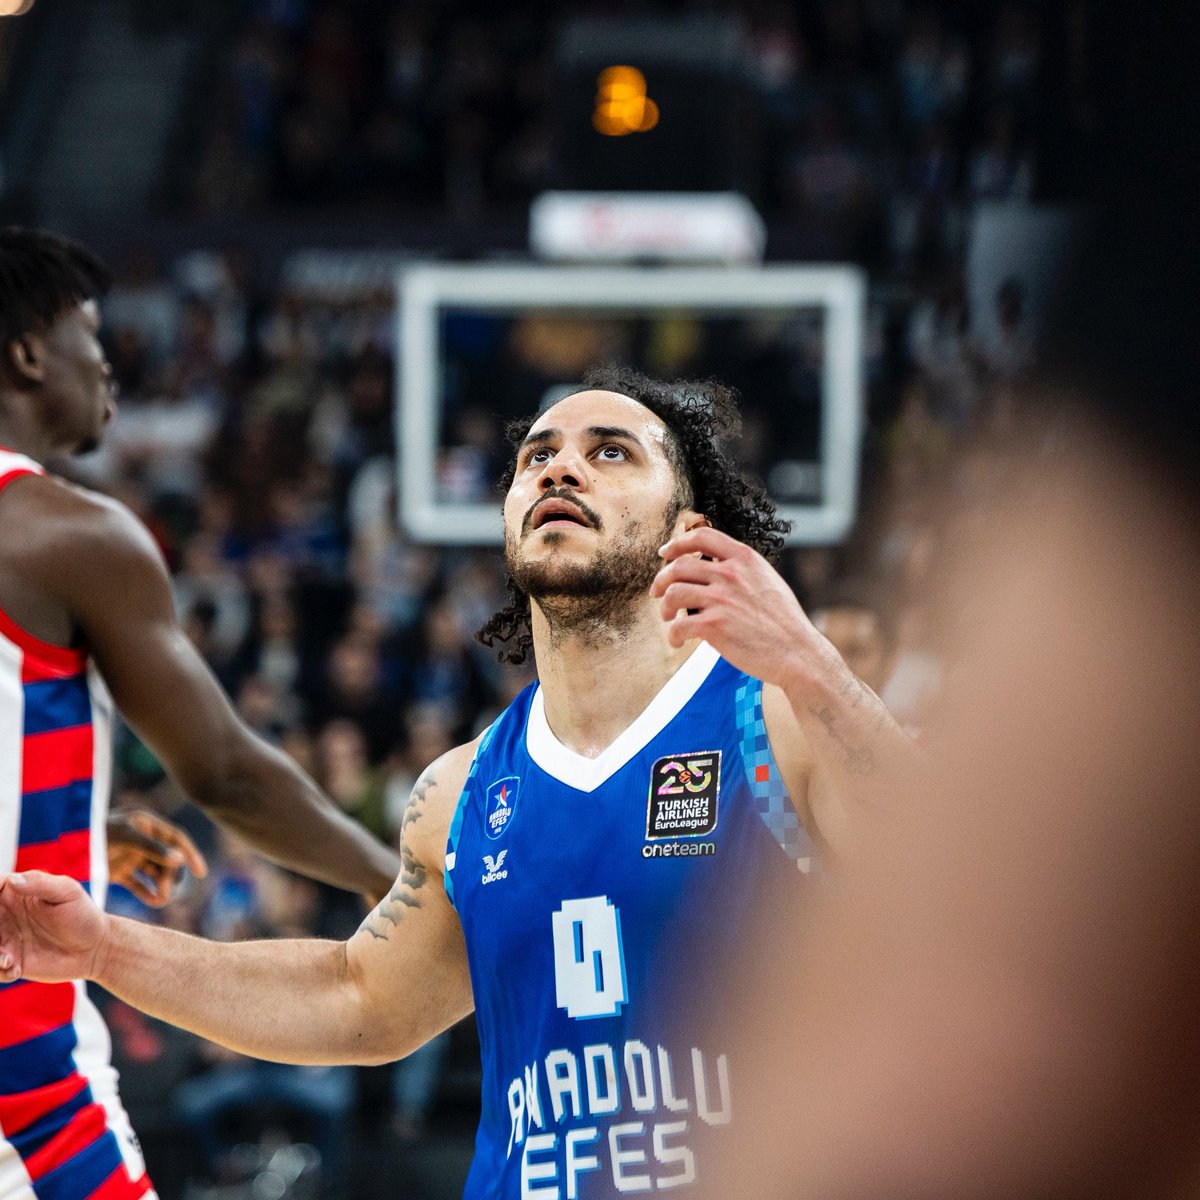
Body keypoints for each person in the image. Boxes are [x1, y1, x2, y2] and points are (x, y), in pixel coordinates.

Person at [0, 366, 914, 1198]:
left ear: (690, 530)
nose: (561, 470)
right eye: (537, 457)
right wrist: (101, 951)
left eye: (610, 452)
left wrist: (818, 667)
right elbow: (356, 999)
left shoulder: (780, 723)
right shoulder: (464, 788)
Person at [0, 227, 401, 1200]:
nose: (110, 365)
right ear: (25, 355)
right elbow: (223, 770)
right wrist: (397, 877)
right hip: (20, 1070)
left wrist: (79, 836)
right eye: (92, 337)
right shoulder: (66, 533)